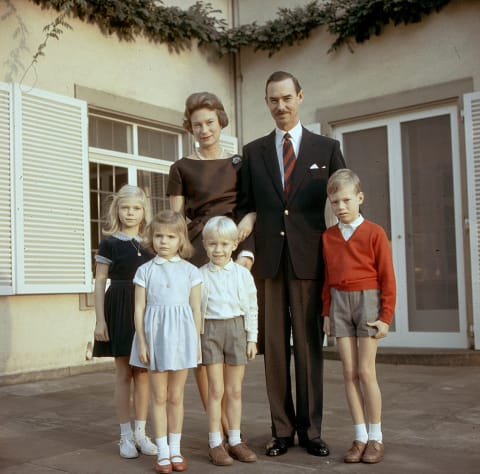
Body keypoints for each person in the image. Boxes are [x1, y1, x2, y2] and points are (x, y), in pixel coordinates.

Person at [239, 71, 346, 457]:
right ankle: (281, 431)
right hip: (269, 263)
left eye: (287, 98)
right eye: (273, 100)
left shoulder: (326, 149)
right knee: (275, 351)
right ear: (266, 102)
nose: (280, 106)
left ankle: (312, 430)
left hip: (309, 262)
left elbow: (344, 202)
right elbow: (245, 208)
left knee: (308, 348)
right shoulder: (253, 153)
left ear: (300, 96)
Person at [167, 91, 256, 436]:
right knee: (202, 343)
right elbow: (175, 219)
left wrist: (244, 243)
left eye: (209, 122)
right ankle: (216, 428)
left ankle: (229, 427)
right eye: (196, 124)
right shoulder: (181, 167)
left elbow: (251, 209)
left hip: (230, 249)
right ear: (189, 127)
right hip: (198, 251)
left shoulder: (239, 163)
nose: (203, 130)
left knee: (232, 342)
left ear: (221, 121)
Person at [322, 169, 396, 464]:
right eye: (334, 202)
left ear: (360, 198)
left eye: (346, 200)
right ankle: (360, 436)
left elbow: (388, 278)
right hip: (339, 303)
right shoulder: (328, 237)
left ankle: (376, 437)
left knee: (366, 372)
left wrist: (385, 317)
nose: (340, 207)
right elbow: (327, 278)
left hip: (368, 302)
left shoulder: (375, 232)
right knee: (348, 373)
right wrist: (326, 312)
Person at [130, 210, 202, 473]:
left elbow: (196, 310)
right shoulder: (144, 271)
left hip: (182, 339)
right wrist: (142, 342)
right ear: (152, 237)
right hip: (155, 339)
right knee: (158, 396)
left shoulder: (191, 272)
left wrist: (195, 343)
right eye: (159, 235)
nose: (164, 241)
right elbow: (139, 309)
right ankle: (161, 451)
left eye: (170, 236)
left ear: (180, 239)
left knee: (176, 396)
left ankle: (175, 449)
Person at [93, 184, 157, 459]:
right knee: (123, 373)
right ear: (116, 210)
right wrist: (100, 320)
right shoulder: (109, 242)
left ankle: (142, 433)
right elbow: (99, 282)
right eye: (125, 207)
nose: (130, 213)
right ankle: (125, 436)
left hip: (146, 309)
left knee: (143, 372)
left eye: (136, 208)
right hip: (119, 306)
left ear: (144, 212)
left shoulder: (153, 243)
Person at [198, 216, 258, 466]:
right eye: (212, 244)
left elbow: (252, 307)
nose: (218, 250)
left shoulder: (243, 275)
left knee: (234, 390)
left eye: (224, 244)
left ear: (234, 245)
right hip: (210, 331)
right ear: (205, 244)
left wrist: (252, 338)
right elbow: (195, 310)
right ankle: (215, 442)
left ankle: (235, 440)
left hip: (236, 330)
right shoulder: (199, 275)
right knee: (216, 390)